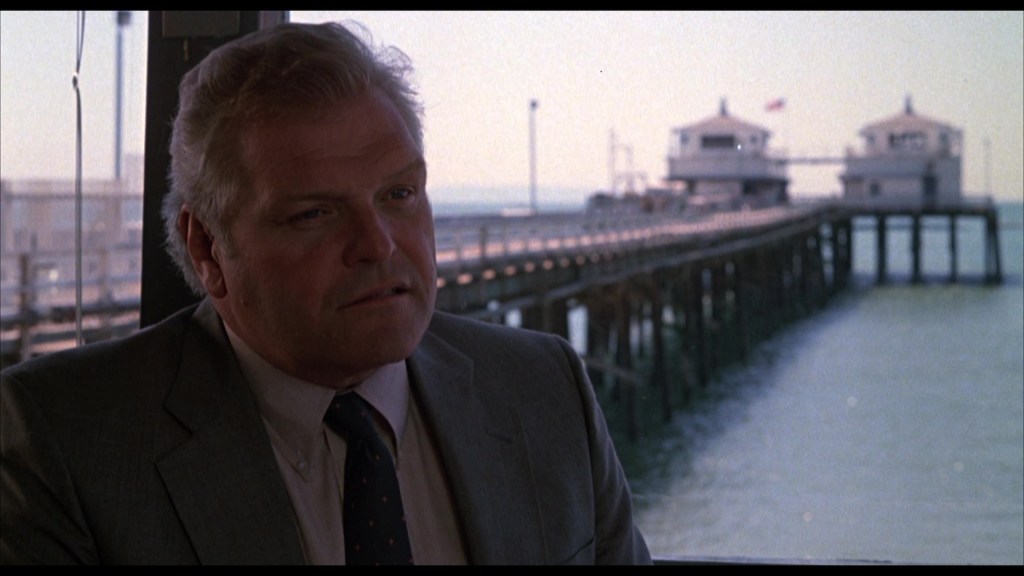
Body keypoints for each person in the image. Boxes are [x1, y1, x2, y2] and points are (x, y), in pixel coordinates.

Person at [0, 21, 651, 565]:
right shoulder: (66, 441)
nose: (379, 245)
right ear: (206, 248)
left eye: (399, 195)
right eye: (315, 214)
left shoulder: (545, 388)